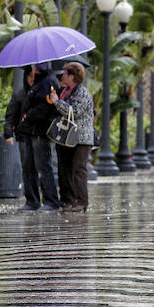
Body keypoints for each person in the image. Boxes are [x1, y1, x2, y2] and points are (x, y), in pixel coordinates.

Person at [47, 62, 95, 212]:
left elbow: (74, 112)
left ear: (73, 76)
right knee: (64, 169)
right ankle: (68, 200)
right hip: (65, 137)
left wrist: (57, 102)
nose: (63, 76)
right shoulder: (65, 91)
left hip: (81, 138)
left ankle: (81, 201)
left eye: (66, 74)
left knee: (78, 169)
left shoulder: (82, 92)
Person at [14, 62, 61, 211]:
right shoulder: (39, 82)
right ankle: (32, 200)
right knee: (29, 167)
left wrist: (29, 115)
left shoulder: (48, 82)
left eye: (35, 67)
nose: (33, 69)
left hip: (39, 131)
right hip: (30, 130)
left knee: (43, 166)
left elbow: (46, 107)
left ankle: (51, 200)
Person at [4, 67, 35, 206]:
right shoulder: (20, 94)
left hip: (39, 136)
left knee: (41, 168)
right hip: (24, 136)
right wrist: (8, 133)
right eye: (30, 76)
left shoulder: (41, 92)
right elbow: (10, 115)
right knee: (27, 168)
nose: (32, 79)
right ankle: (31, 199)